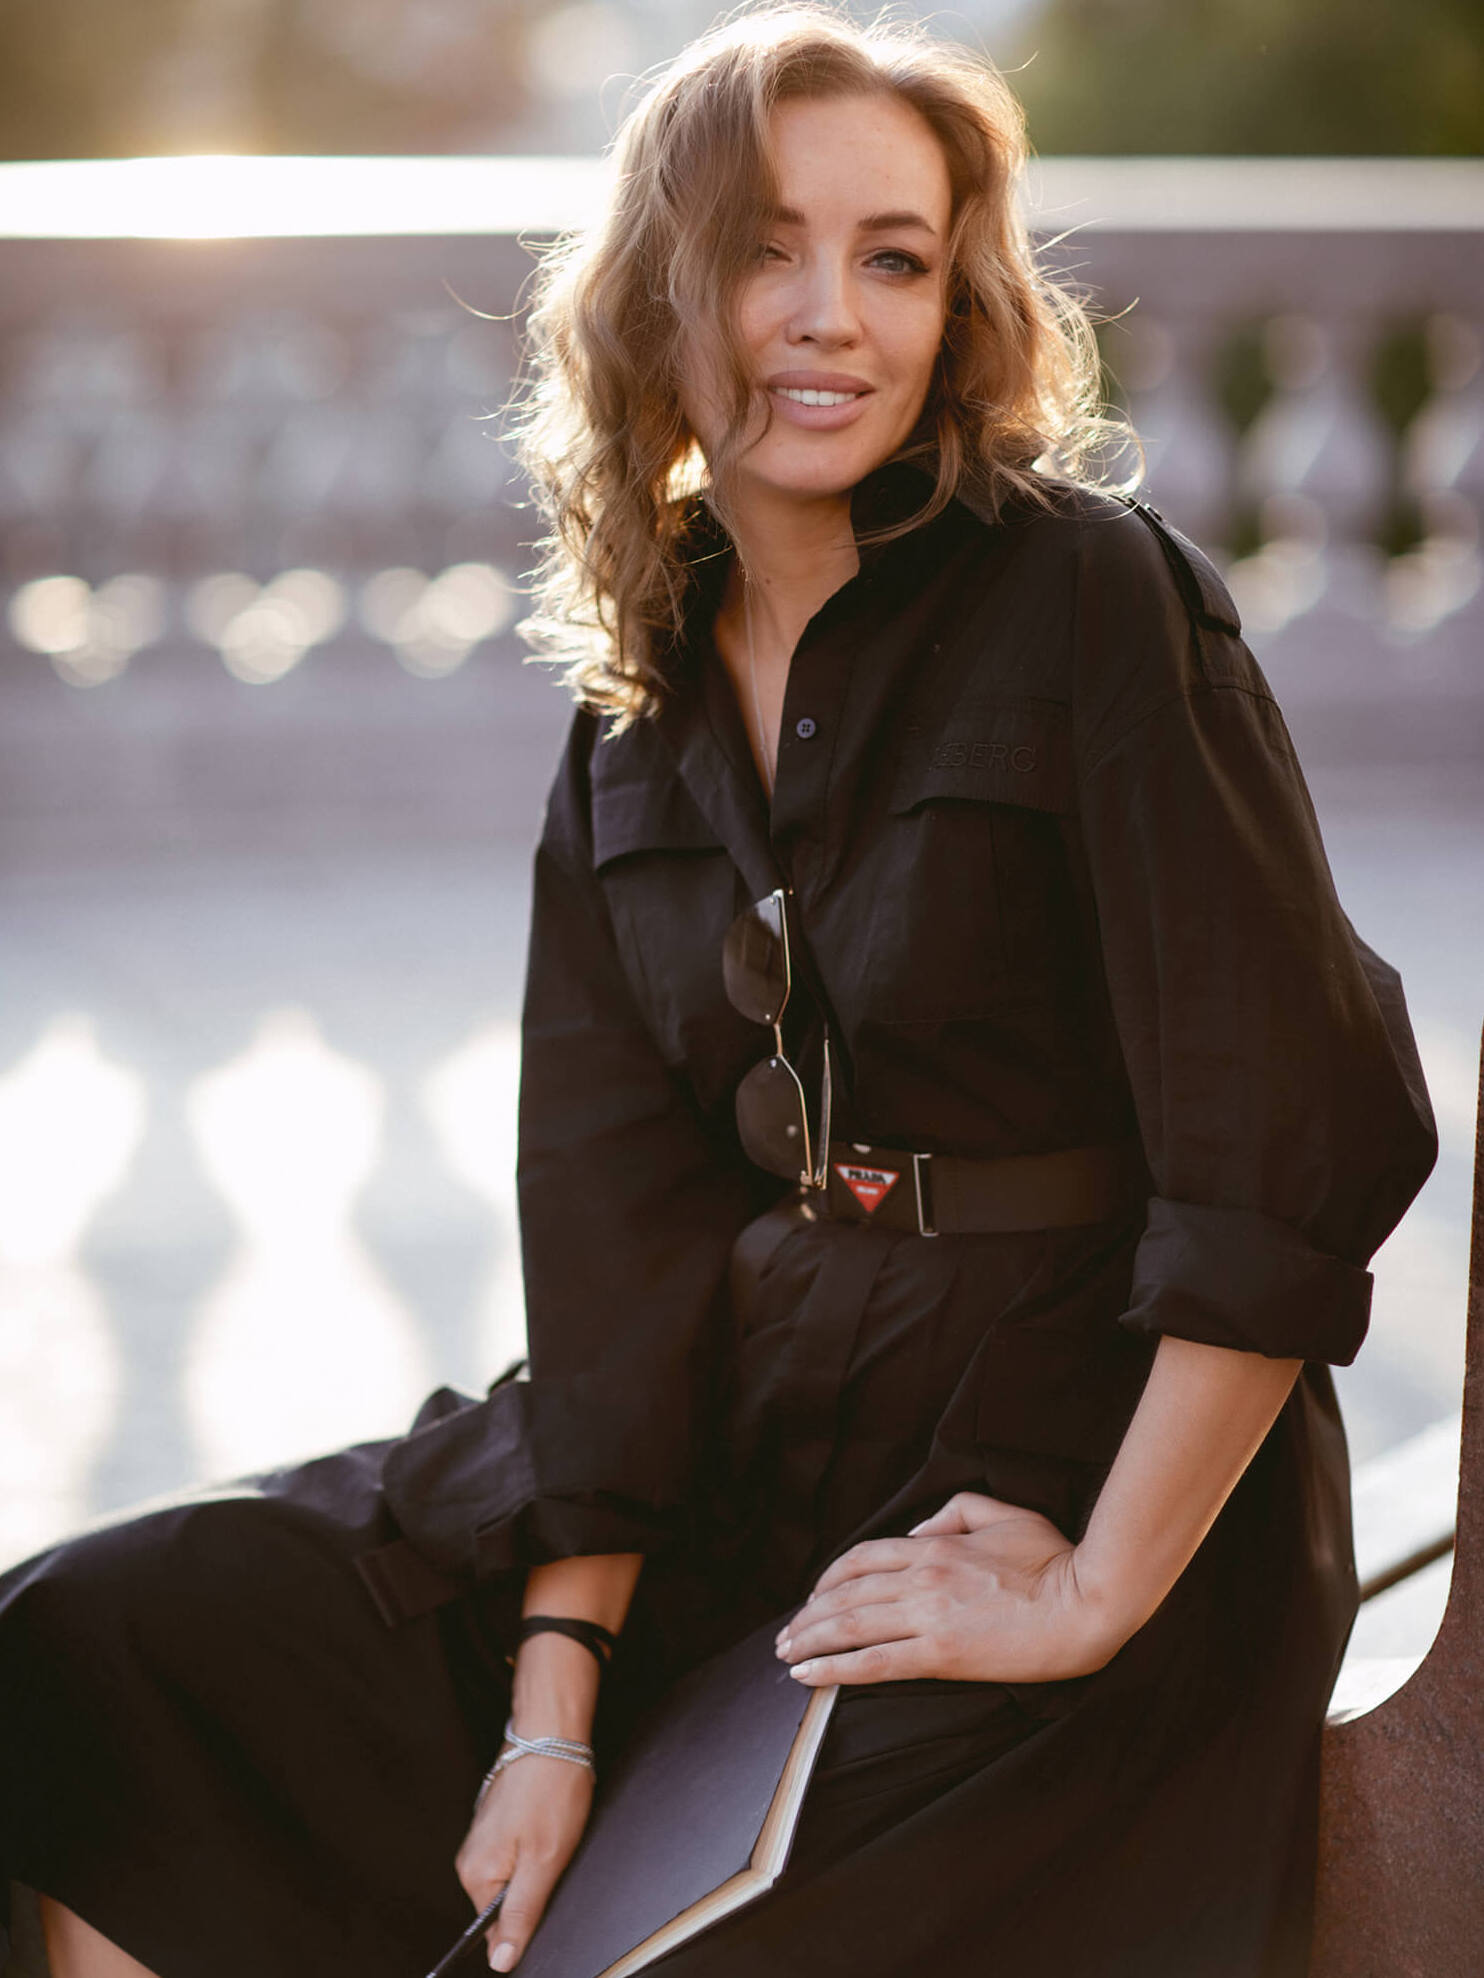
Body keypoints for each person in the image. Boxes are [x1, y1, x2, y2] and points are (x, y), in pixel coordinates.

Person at [0, 7, 1439, 1977]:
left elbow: (1295, 1129)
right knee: (87, 1650)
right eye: (767, 249)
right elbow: (618, 1253)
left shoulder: (1093, 596)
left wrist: (1091, 1589)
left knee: (699, 1933)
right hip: (732, 1446)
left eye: (895, 257)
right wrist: (549, 1715)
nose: (832, 313)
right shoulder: (633, 713)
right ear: (660, 295)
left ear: (957, 308)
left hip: (1077, 1461)